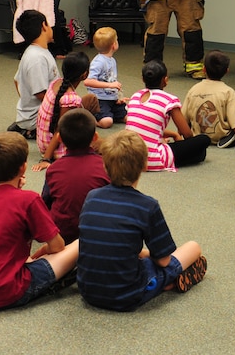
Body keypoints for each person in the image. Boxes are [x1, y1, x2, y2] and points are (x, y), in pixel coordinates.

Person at [77, 130, 207, 311]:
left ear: (105, 167)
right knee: (193, 247)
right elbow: (163, 261)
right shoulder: (147, 206)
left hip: (87, 290)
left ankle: (164, 281)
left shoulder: (91, 197)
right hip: (126, 296)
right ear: (145, 165)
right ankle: (166, 283)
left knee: (137, 255)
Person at [0, 132, 79, 310]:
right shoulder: (29, 200)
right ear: (23, 168)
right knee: (80, 244)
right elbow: (57, 247)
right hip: (6, 292)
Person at [125, 59, 210, 172]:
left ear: (143, 79)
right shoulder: (169, 100)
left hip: (129, 157)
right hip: (152, 160)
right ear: (165, 80)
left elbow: (143, 126)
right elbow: (187, 134)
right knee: (204, 140)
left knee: (196, 152)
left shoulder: (135, 96)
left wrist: (173, 134)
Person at [41, 109, 110, 243]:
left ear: (59, 138)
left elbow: (45, 202)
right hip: (97, 235)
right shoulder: (106, 166)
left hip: (63, 236)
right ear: (95, 137)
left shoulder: (53, 169)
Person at [33, 50, 98, 169]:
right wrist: (46, 158)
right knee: (102, 144)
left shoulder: (56, 82)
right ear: (84, 75)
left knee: (91, 99)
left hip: (43, 138)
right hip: (53, 147)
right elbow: (59, 129)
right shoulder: (71, 99)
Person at [7, 9, 59, 139]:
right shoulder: (37, 58)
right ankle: (33, 127)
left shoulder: (36, 52)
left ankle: (27, 124)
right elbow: (40, 93)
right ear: (43, 26)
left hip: (33, 114)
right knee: (80, 113)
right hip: (39, 117)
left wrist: (26, 101)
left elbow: (16, 81)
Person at [183, 50, 235, 149]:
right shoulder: (228, 92)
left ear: (204, 69)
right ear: (227, 71)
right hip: (221, 135)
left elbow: (183, 120)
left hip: (198, 136)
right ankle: (226, 138)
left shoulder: (193, 90)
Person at [83, 27, 128, 128]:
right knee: (107, 122)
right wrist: (110, 85)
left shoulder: (112, 60)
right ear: (114, 45)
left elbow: (111, 79)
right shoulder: (98, 62)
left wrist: (118, 97)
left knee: (129, 118)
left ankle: (113, 115)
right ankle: (92, 118)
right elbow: (88, 81)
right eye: (117, 39)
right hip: (100, 100)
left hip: (111, 98)